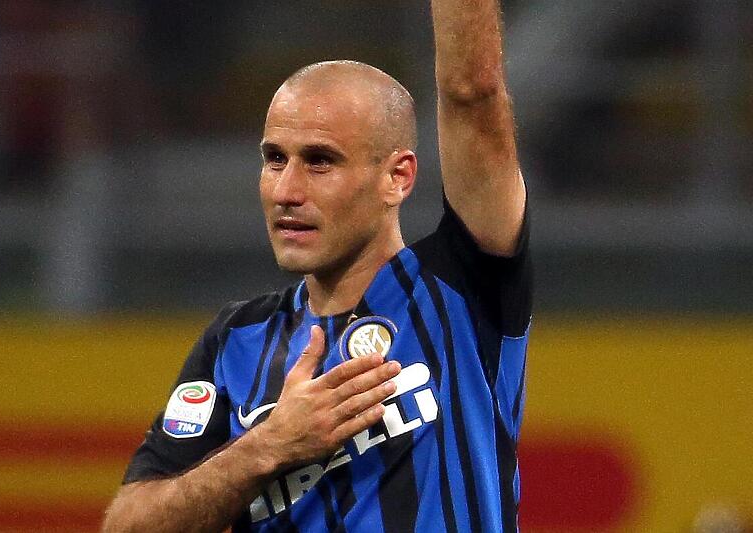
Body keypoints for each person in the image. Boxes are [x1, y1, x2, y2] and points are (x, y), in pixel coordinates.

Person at [103, 0, 531, 531]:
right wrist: (267, 447)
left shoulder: (463, 285)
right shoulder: (236, 340)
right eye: (274, 159)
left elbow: (473, 92)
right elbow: (127, 525)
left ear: (397, 177)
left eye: (320, 161)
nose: (286, 191)